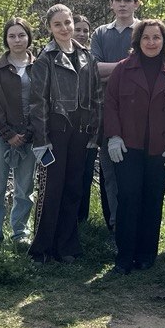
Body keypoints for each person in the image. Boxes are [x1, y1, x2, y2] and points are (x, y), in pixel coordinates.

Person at [103, 19, 165, 274]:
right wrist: (114, 136)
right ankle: (124, 256)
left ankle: (146, 254)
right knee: (128, 199)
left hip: (159, 151)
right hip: (129, 147)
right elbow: (110, 104)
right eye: (146, 38)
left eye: (157, 38)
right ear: (138, 41)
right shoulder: (122, 70)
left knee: (153, 200)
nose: (152, 42)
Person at [29, 4, 103, 264]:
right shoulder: (45, 58)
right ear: (50, 28)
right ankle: (41, 248)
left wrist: (95, 132)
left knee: (73, 189)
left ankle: (67, 246)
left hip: (81, 134)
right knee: (51, 190)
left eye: (68, 22)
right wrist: (41, 141)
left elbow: (96, 97)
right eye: (58, 24)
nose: (65, 28)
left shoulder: (87, 56)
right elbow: (37, 103)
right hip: (55, 134)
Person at [91, 0, 143, 231]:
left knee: (136, 174)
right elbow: (93, 70)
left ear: (137, 3)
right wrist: (126, 66)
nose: (122, 4)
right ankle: (115, 226)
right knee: (110, 173)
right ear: (111, 3)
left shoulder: (145, 30)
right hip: (106, 113)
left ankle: (136, 226)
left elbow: (146, 71)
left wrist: (112, 70)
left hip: (140, 115)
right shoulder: (100, 33)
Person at [0, 17, 36, 248]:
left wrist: (30, 131)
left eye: (21, 35)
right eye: (12, 36)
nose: (17, 40)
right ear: (6, 39)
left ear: (29, 38)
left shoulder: (40, 66)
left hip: (31, 134)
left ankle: (20, 232)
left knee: (25, 188)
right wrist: (8, 133)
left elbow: (44, 101)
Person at [72, 14, 98, 224]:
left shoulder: (90, 58)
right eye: (77, 29)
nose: (81, 34)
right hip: (64, 127)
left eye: (85, 31)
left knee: (85, 174)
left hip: (88, 126)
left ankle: (82, 220)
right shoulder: (50, 55)